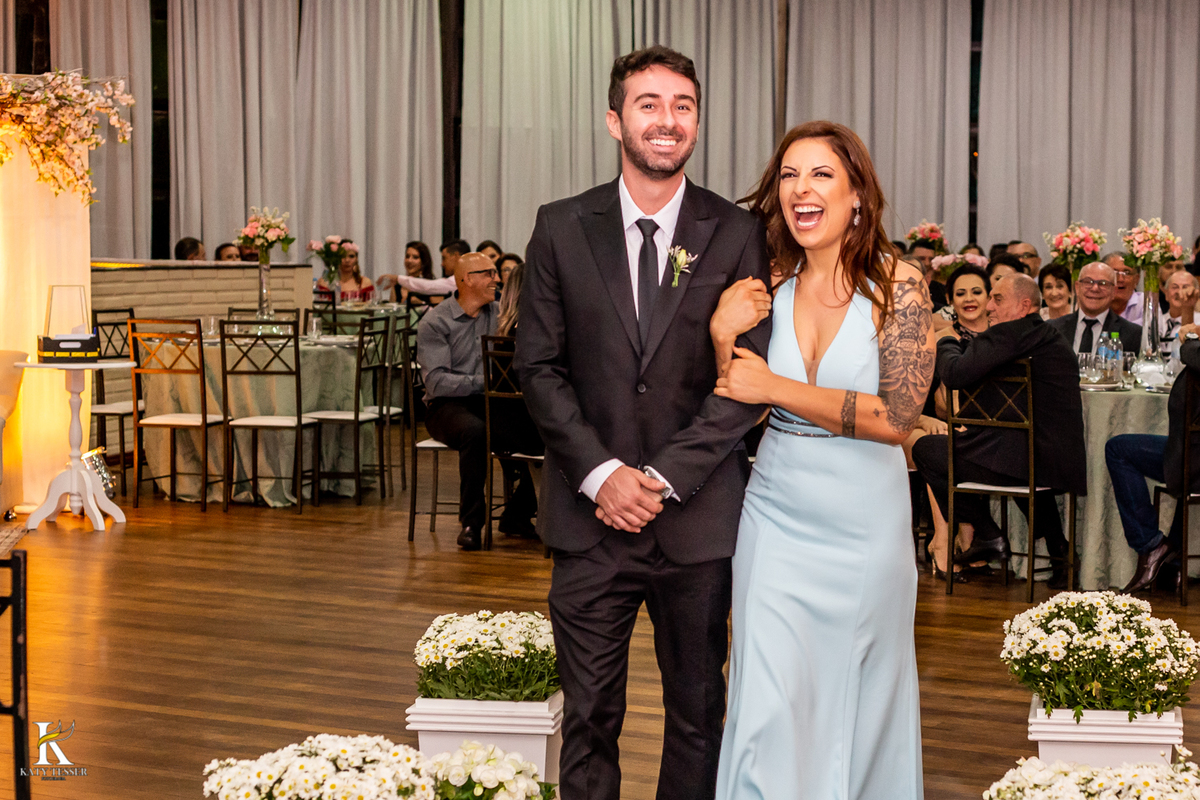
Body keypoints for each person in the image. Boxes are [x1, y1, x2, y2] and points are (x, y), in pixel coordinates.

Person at [516, 46, 772, 800]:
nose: (667, 120)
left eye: (682, 105)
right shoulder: (561, 226)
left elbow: (747, 378)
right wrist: (603, 475)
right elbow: (538, 368)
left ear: (697, 120)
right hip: (589, 521)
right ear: (614, 120)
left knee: (698, 715)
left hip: (694, 522)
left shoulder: (734, 230)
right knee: (591, 714)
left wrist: (660, 478)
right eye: (649, 104)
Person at [710, 120, 932, 800]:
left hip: (866, 519)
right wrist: (722, 333)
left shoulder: (903, 289)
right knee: (767, 698)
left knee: (859, 698)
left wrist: (776, 387)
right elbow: (733, 394)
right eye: (788, 176)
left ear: (858, 195)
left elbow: (898, 418)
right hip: (776, 506)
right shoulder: (764, 288)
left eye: (820, 175)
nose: (801, 189)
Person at [912, 273, 1086, 589]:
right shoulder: (1047, 335)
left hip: (1025, 461)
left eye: (997, 298)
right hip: (1056, 460)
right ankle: (1059, 551)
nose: (990, 306)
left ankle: (988, 534)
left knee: (927, 449)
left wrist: (947, 340)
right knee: (1002, 453)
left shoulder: (1010, 333)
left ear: (1023, 305)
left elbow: (953, 373)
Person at [420, 252, 538, 550]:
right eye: (488, 273)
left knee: (543, 433)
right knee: (475, 432)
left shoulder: (500, 314)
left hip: (488, 404)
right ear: (466, 280)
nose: (496, 279)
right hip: (444, 408)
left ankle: (516, 515)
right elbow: (436, 382)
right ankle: (472, 522)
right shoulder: (436, 322)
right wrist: (485, 384)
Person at [1105, 323, 1200, 592]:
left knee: (1119, 450)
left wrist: (1190, 338)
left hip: (1194, 460)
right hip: (1190, 452)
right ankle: (1171, 563)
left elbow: (1194, 356)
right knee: (1126, 447)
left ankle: (1152, 546)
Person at [1047, 261, 1141, 354]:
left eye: (1103, 283)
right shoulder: (1052, 329)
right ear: (1077, 287)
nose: (1095, 288)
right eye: (1088, 282)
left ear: (1114, 291)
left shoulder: (1133, 334)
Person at [1158, 270, 1198, 352]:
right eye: (1174, 287)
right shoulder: (1157, 322)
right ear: (1166, 294)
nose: (1179, 292)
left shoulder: (1198, 324)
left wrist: (1187, 309)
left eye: (1185, 287)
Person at [1108, 252, 1142, 322]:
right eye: (1114, 273)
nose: (1120, 279)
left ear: (1137, 279)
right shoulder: (1094, 301)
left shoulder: (1144, 303)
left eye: (1127, 273)